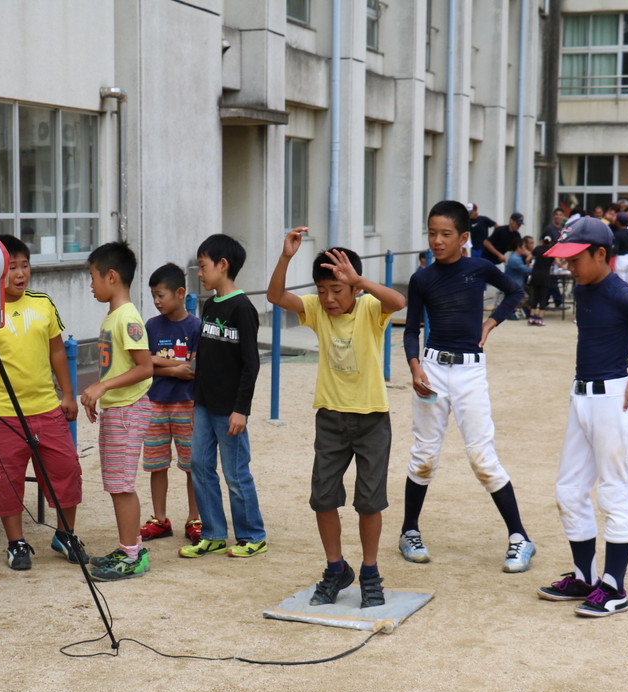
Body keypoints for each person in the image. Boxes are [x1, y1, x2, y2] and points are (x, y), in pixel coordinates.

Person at [537, 217, 628, 617]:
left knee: (614, 493)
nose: (568, 267)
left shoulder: (622, 294)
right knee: (569, 490)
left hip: (614, 402)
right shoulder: (584, 288)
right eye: (565, 260)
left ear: (601, 254)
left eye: (575, 260)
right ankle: (585, 577)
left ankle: (614, 587)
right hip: (581, 398)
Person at [267, 229, 406, 607]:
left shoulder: (371, 308)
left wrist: (360, 281)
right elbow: (275, 296)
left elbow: (399, 301)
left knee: (369, 502)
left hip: (372, 418)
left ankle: (371, 572)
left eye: (338, 290)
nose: (329, 298)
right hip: (330, 417)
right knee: (323, 497)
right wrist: (286, 257)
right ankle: (335, 568)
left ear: (354, 289)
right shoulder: (316, 310)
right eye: (322, 290)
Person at [400, 200, 535, 572]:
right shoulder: (421, 279)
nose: (437, 241)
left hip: (470, 373)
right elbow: (411, 330)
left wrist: (490, 323)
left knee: (482, 458)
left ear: (463, 238)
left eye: (446, 234)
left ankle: (520, 537)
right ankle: (409, 531)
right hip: (431, 370)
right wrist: (415, 367)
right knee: (424, 455)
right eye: (432, 233)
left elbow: (516, 293)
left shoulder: (479, 268)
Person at [0, 234, 83, 572]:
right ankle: (16, 542)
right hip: (2, 414)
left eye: (25, 266)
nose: (20, 273)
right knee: (6, 480)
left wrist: (68, 394)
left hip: (47, 408)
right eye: (12, 267)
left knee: (66, 471)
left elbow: (57, 351)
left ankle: (65, 534)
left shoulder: (43, 303)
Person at [180, 233, 269, 559]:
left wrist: (241, 409)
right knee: (200, 465)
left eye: (203, 266)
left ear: (223, 265)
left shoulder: (243, 308)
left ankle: (252, 535)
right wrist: (195, 400)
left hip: (230, 410)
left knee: (235, 473)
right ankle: (214, 533)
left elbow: (251, 363)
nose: (200, 273)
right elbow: (205, 359)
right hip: (204, 405)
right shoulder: (209, 305)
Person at [80, 242, 155, 581]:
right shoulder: (114, 316)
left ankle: (132, 556)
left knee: (122, 484)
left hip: (128, 409)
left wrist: (102, 387)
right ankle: (129, 546)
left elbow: (144, 367)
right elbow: (119, 365)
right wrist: (101, 394)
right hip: (117, 408)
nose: (91, 285)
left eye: (93, 277)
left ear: (111, 277)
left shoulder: (127, 317)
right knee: (115, 482)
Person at [139, 262, 202, 544]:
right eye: (153, 295)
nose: (156, 301)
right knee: (157, 464)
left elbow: (194, 369)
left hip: (187, 405)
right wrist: (175, 369)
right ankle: (160, 519)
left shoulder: (196, 326)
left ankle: (195, 518)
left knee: (192, 465)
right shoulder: (151, 326)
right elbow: (144, 364)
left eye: (160, 295)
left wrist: (160, 362)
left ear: (180, 293)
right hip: (155, 404)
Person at [526, 236, 555, 327]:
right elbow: (557, 262)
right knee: (543, 297)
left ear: (542, 241)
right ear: (550, 242)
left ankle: (532, 317)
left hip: (535, 275)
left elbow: (528, 259)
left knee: (535, 296)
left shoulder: (537, 249)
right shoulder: (551, 250)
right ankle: (540, 318)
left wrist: (529, 265)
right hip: (545, 276)